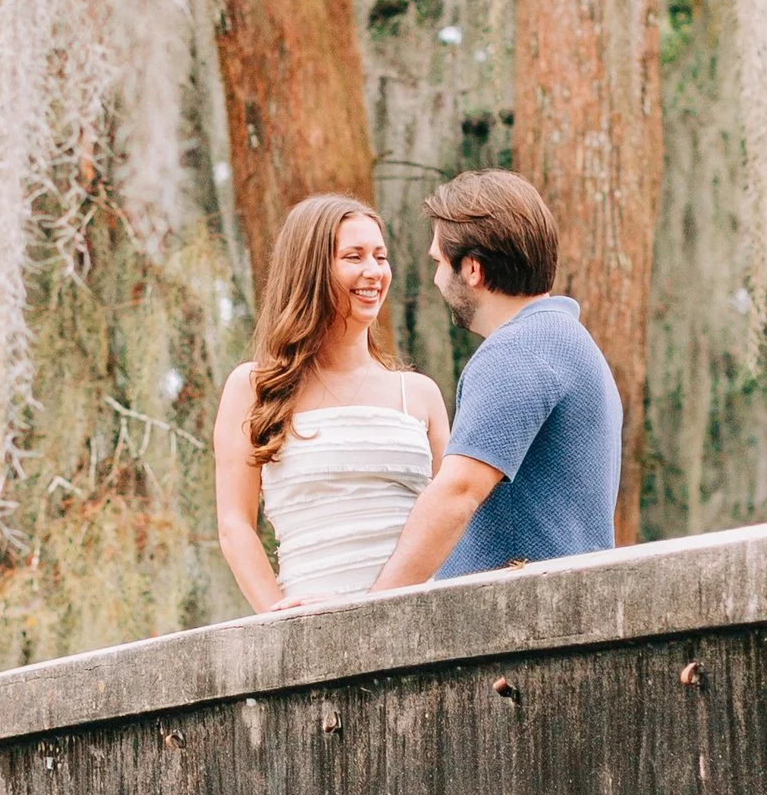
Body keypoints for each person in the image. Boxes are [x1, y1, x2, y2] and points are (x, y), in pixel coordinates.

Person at [370, 171, 620, 588]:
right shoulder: (563, 338)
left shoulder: (519, 349)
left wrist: (372, 608)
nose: (435, 279)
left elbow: (459, 491)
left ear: (471, 269)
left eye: (438, 262)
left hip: (526, 628)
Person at [213, 193, 453, 611]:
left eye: (380, 256)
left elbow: (453, 517)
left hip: (420, 623)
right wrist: (276, 615)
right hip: (310, 630)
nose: (374, 272)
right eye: (354, 256)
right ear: (310, 269)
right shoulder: (253, 388)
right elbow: (235, 524)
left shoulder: (420, 394)